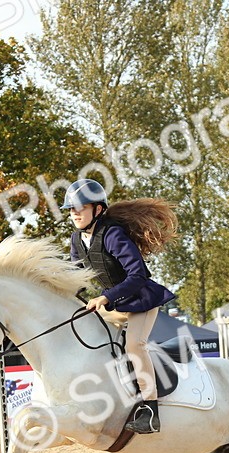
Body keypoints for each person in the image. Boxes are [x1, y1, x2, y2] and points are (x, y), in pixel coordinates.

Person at [64, 178, 177, 434]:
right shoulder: (76, 240)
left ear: (98, 210)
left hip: (141, 300)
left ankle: (150, 409)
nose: (74, 213)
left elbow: (137, 276)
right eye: (71, 209)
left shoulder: (113, 234)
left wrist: (105, 298)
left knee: (133, 345)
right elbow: (75, 278)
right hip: (114, 305)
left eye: (80, 207)